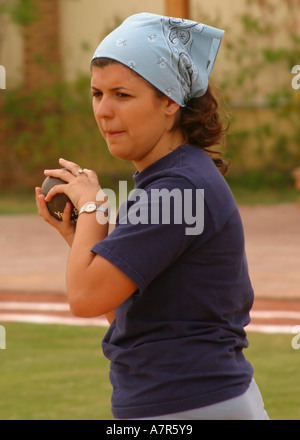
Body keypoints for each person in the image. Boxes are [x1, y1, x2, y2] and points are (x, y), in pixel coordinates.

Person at [35, 13, 269, 420]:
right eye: (96, 93)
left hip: (190, 405)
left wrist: (92, 206)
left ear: (169, 102)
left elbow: (85, 299)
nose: (103, 111)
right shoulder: (173, 178)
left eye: (122, 95)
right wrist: (83, 240)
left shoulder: (176, 188)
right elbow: (123, 313)